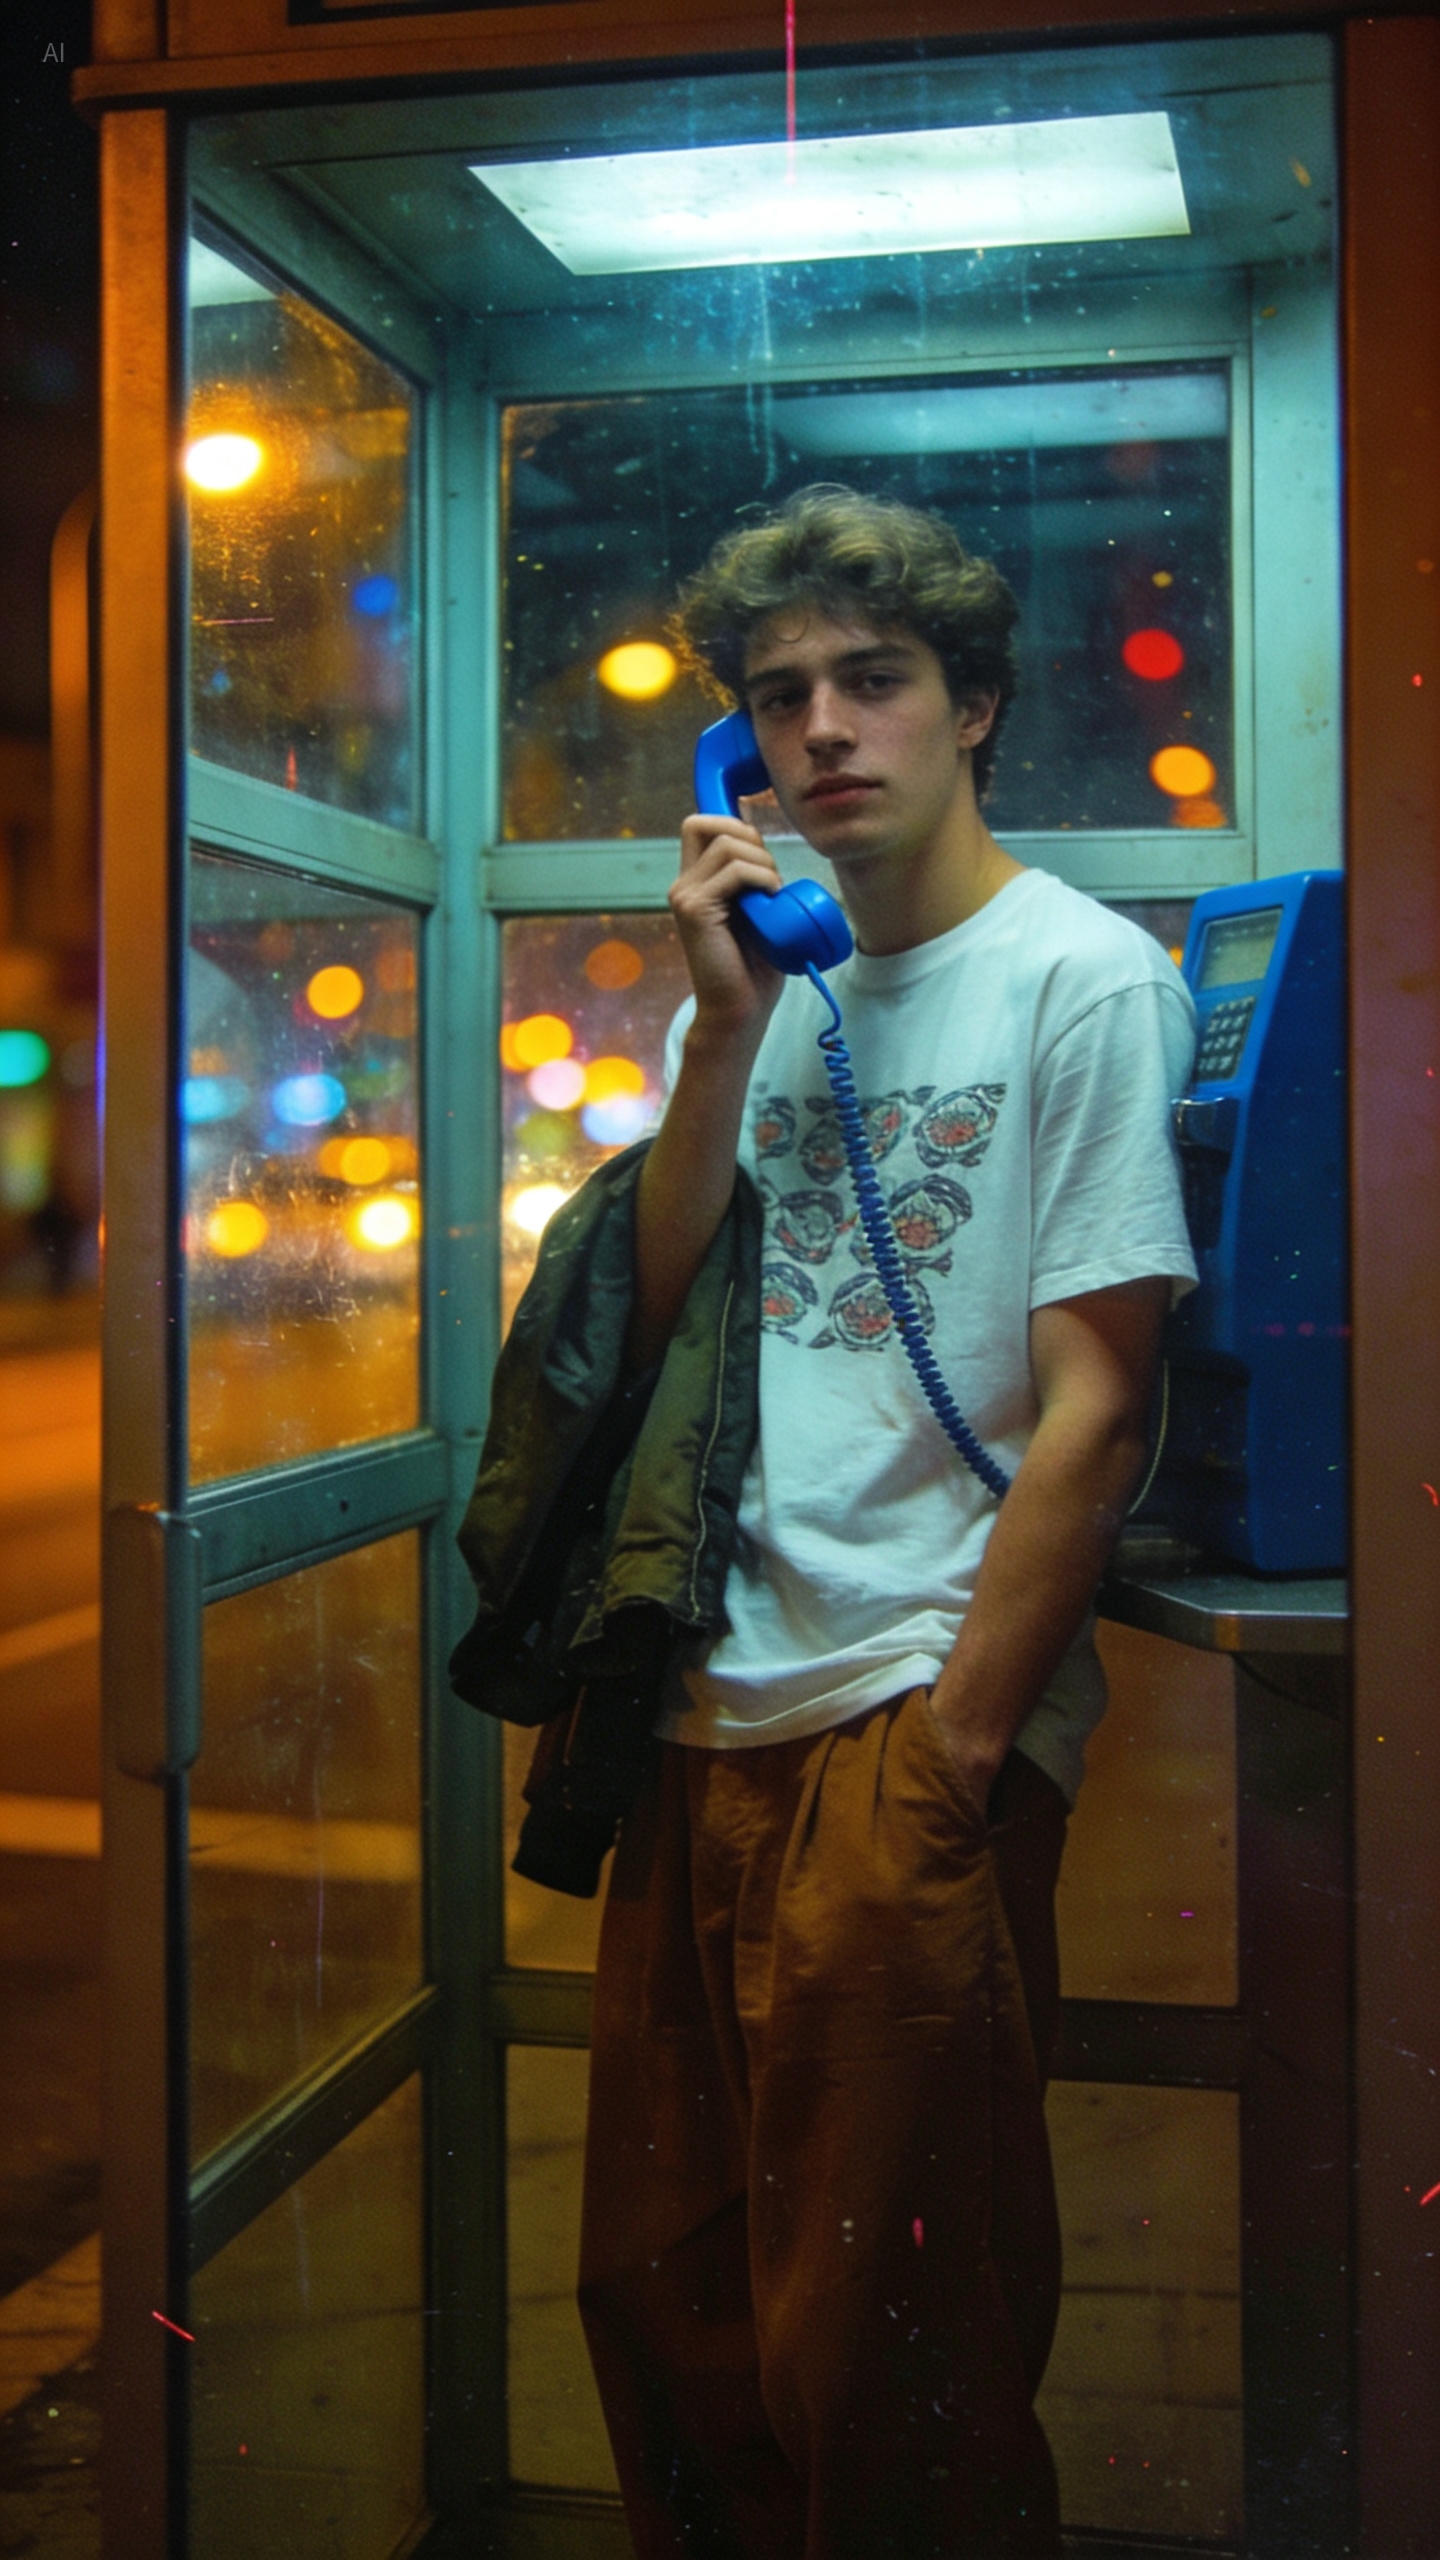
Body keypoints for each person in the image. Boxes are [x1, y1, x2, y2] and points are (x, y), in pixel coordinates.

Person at [574, 484, 1198, 2559]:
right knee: (669, 2301)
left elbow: (1101, 1400)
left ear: (976, 704)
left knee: (889, 2339)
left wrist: (954, 1751)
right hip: (704, 1708)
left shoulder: (1080, 982)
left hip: (899, 1709)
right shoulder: (769, 1002)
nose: (824, 729)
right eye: (779, 699)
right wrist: (726, 1027)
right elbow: (654, 1316)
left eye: (875, 679)